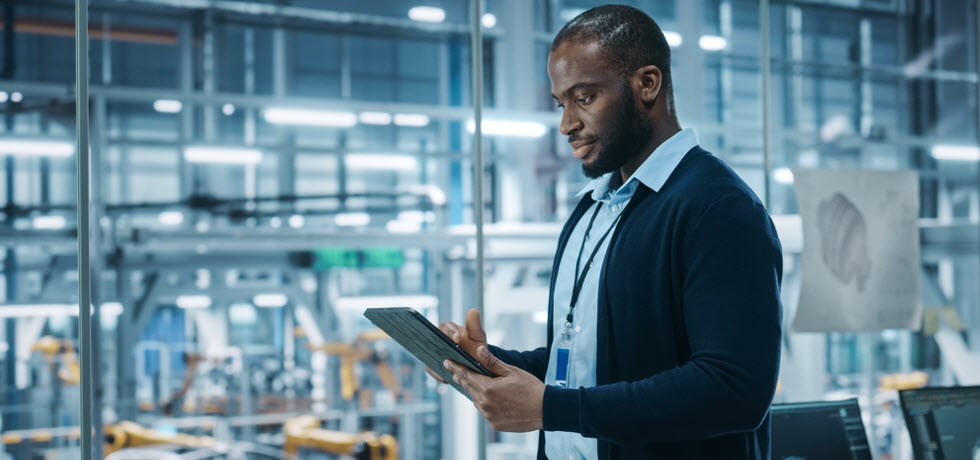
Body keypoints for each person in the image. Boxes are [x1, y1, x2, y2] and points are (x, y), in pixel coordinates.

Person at [433, 4, 783, 459]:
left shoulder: (717, 207)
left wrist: (552, 409)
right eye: (562, 104)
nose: (567, 125)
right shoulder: (592, 212)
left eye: (585, 97)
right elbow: (585, 362)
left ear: (647, 85)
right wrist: (491, 363)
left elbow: (733, 390)